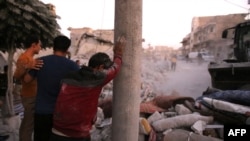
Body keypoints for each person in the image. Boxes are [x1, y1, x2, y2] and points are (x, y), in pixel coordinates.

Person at [50, 36, 126, 141]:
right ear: (100, 68)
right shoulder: (97, 78)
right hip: (77, 133)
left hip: (57, 130)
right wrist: (119, 54)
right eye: (105, 68)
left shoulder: (69, 76)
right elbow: (115, 68)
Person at [23, 35, 80, 141]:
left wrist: (28, 67)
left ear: (53, 46)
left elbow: (26, 80)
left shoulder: (40, 61)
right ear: (67, 49)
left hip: (41, 111)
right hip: (62, 114)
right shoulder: (73, 66)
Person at [13, 35, 43, 141]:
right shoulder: (24, 58)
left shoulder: (30, 59)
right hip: (29, 96)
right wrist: (27, 66)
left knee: (28, 123)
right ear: (33, 45)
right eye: (39, 45)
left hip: (32, 95)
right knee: (28, 125)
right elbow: (16, 76)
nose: (40, 48)